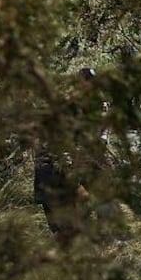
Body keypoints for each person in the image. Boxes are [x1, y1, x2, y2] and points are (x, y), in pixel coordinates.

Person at [33, 67, 104, 246]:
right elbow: (59, 152)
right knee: (66, 230)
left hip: (62, 176)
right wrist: (77, 186)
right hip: (51, 176)